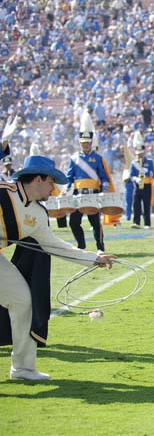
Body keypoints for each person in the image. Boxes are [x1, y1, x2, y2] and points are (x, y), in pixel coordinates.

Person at [1, 155, 116, 380]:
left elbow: (55, 246)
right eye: (51, 181)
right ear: (37, 179)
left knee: (24, 300)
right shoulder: (2, 191)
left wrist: (95, 258)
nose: (54, 188)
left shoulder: (38, 214)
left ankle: (23, 369)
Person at [66, 114, 108, 251]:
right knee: (74, 222)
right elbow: (69, 176)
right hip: (78, 193)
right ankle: (81, 245)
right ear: (80, 143)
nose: (85, 145)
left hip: (93, 193)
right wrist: (67, 187)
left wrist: (105, 186)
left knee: (95, 222)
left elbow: (103, 175)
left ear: (91, 143)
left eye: (88, 142)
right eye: (83, 143)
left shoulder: (97, 158)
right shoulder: (74, 158)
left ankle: (100, 247)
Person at [129, 143, 154, 229]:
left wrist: (146, 172)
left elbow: (152, 174)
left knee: (146, 204)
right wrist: (136, 179)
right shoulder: (133, 163)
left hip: (147, 185)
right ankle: (136, 222)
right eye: (138, 154)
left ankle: (147, 223)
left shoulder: (149, 162)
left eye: (141, 153)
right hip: (137, 185)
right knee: (136, 204)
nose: (140, 155)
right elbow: (131, 175)